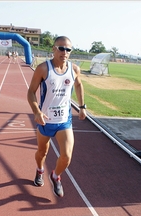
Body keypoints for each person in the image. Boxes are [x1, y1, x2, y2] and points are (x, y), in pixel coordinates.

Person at [27, 36, 87, 197]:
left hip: (64, 121)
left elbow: (79, 84)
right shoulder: (43, 69)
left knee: (66, 157)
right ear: (53, 49)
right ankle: (40, 170)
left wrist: (81, 107)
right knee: (42, 152)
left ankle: (55, 176)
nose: (64, 52)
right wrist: (37, 112)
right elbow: (31, 92)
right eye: (61, 48)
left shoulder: (74, 69)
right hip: (45, 121)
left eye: (68, 49)